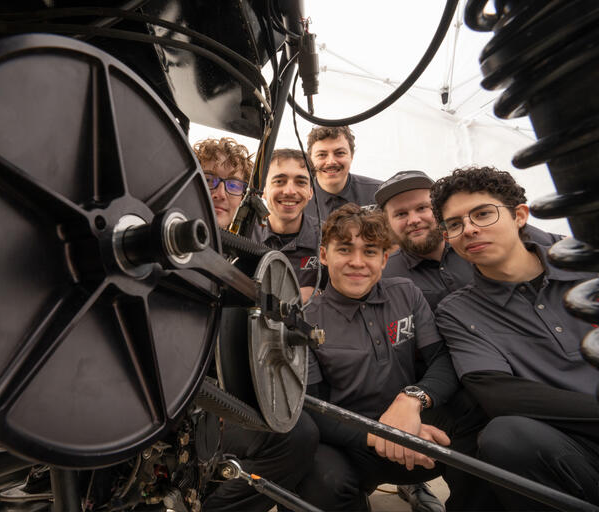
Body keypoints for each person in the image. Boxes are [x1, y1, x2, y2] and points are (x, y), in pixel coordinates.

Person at [431, 166, 599, 510]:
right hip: (574, 447)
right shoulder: (458, 311)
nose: (470, 229)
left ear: (519, 215)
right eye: (455, 223)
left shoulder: (586, 263)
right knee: (504, 437)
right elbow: (500, 393)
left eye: (482, 213)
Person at [296, 204, 482, 512]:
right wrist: (382, 434)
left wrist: (413, 399)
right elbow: (314, 409)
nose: (357, 262)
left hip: (417, 424)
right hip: (352, 442)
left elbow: (443, 360)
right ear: (325, 256)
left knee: (478, 423)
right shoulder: (305, 319)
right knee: (321, 478)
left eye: (370, 251)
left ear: (384, 259)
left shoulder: (405, 292)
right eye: (344, 249)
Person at [193, 138, 319, 511]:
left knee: (296, 435)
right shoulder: (164, 240)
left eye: (233, 185)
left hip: (205, 397)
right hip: (157, 400)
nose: (221, 192)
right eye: (209, 179)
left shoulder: (234, 255)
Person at [377, 170, 563, 310]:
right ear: (387, 222)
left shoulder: (497, 237)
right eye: (401, 214)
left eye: (422, 208)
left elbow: (564, 249)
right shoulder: (383, 276)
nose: (414, 220)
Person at [252, 148, 322, 302]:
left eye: (300, 182)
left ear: (310, 191)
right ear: (263, 189)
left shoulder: (329, 238)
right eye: (279, 181)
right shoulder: (244, 235)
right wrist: (294, 296)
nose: (290, 191)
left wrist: (323, 295)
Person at [305, 125, 382, 221]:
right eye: (322, 155)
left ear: (352, 156)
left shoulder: (379, 194)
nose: (331, 161)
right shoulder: (299, 200)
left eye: (340, 153)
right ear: (310, 159)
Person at [193, 137, 252, 230]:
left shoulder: (250, 243)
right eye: (208, 180)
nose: (220, 195)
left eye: (233, 185)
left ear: (243, 198)